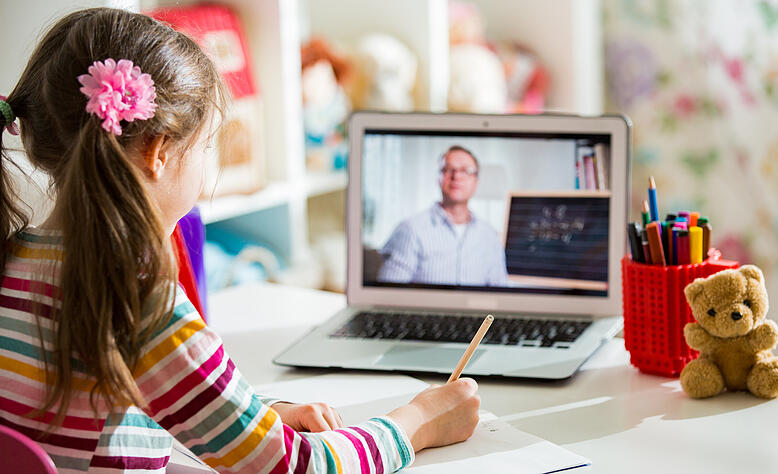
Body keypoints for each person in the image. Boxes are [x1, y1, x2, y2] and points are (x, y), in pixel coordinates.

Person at [0, 8, 479, 473]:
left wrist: (254, 414)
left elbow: (106, 414)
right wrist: (419, 421)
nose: (211, 160)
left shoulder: (12, 261)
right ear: (157, 152)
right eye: (208, 143)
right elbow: (296, 465)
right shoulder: (138, 302)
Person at [378, 145, 509, 286]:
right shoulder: (410, 230)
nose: (456, 176)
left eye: (465, 171)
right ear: (438, 178)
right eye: (448, 170)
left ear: (476, 181)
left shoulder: (490, 236)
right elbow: (388, 294)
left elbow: (499, 294)